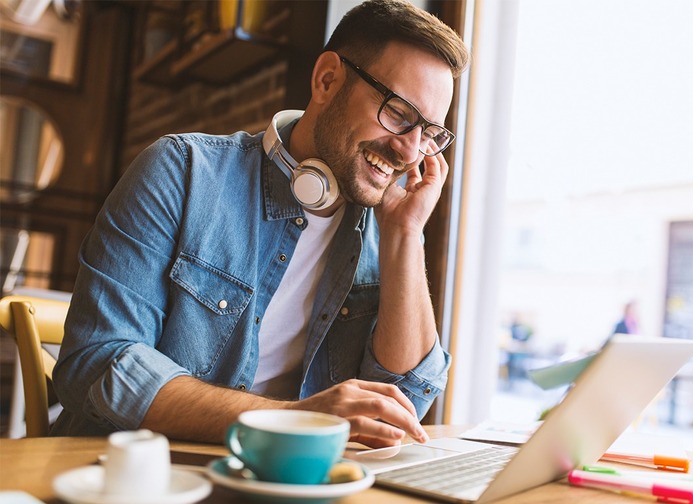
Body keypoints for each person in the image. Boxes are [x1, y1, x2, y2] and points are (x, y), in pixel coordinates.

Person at [51, 0, 470, 448]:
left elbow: (401, 404)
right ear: (327, 80)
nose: (409, 152)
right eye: (399, 113)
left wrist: (405, 236)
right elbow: (99, 362)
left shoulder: (384, 229)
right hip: (133, 477)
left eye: (428, 133)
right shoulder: (182, 171)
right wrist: (295, 418)